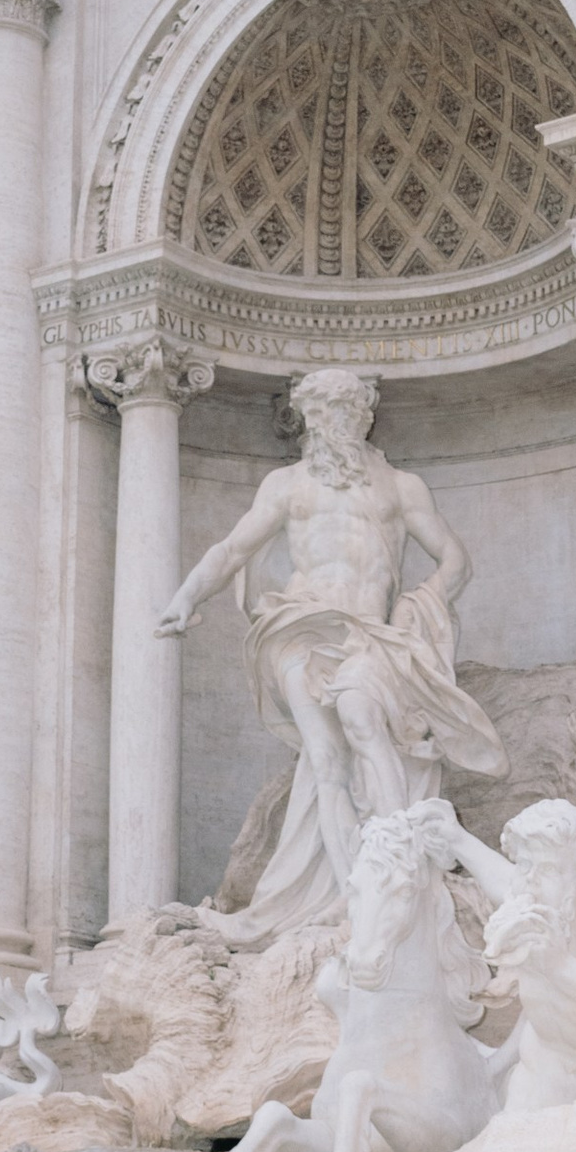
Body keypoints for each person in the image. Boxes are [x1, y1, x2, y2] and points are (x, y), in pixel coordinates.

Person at [156, 365, 504, 935]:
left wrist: (416, 608)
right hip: (299, 627)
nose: (328, 424)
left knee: (361, 718)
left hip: (368, 633)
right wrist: (186, 596)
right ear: (305, 420)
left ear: (364, 416)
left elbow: (455, 561)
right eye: (317, 413)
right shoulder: (286, 485)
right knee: (325, 758)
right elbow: (233, 549)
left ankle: (401, 865)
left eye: (341, 411)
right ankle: (355, 895)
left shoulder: (401, 486)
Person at [424, 795, 576, 1106]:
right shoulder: (532, 894)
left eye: (545, 869)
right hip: (539, 1085)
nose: (528, 882)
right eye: (523, 865)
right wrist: (454, 837)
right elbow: (498, 875)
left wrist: (560, 967)